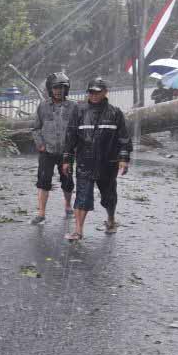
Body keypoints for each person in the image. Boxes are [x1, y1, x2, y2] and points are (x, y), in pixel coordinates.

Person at [61, 77, 132, 241]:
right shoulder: (79, 111)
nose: (93, 95)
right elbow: (71, 137)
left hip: (108, 163)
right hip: (85, 162)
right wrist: (67, 159)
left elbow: (124, 138)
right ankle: (78, 231)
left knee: (109, 197)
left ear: (105, 92)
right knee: (82, 196)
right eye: (91, 91)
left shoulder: (115, 113)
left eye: (97, 92)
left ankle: (111, 219)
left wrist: (124, 158)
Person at [30, 72, 78, 224]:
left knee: (68, 181)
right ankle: (41, 213)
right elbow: (36, 128)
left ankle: (68, 206)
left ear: (67, 89)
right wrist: (41, 145)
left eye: (62, 88)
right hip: (47, 152)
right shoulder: (43, 107)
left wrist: (75, 147)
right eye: (56, 88)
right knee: (43, 181)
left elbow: (78, 129)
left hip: (66, 152)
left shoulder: (73, 107)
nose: (59, 91)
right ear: (50, 89)